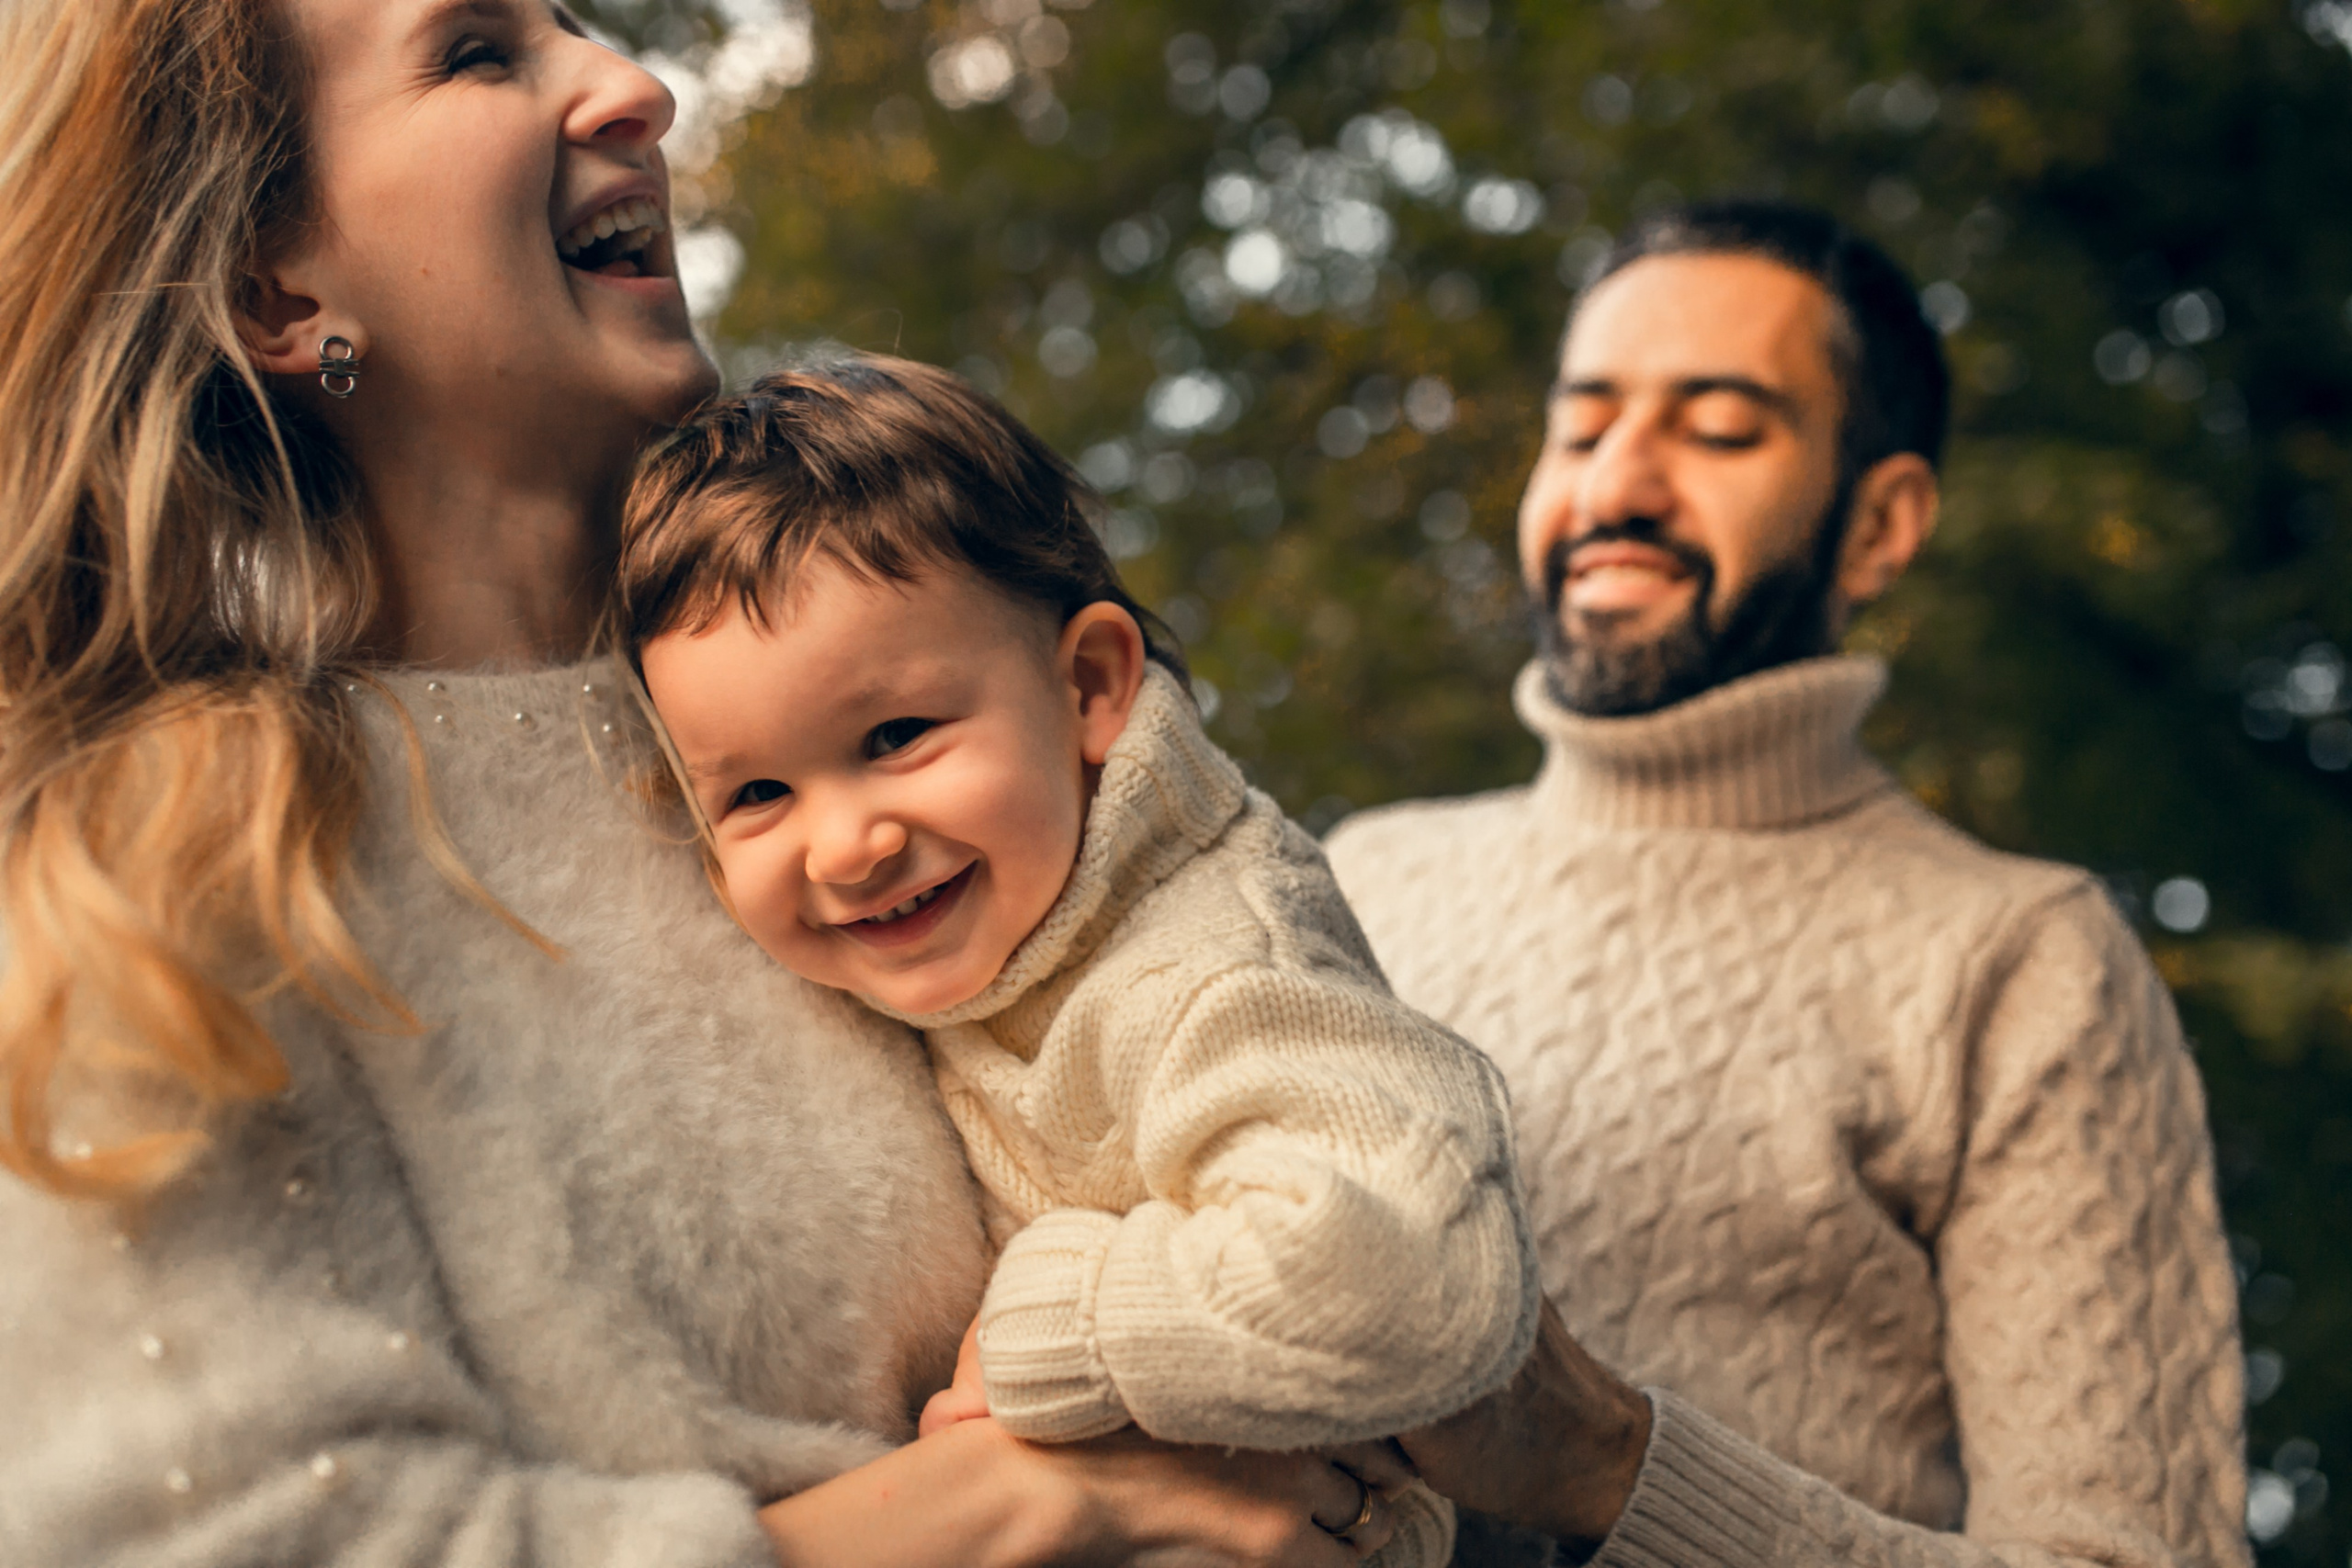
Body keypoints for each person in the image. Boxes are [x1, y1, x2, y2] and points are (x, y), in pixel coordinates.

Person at [0, 2, 1419, 1563]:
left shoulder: (925, 715)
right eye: (478, 50)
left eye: (578, 22)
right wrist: (1017, 1500)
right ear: (279, 288)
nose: (635, 87)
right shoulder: (157, 858)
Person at [1325, 201, 2251, 1568]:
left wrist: (1611, 1465)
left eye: (1718, 431)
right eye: (1582, 429)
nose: (1618, 488)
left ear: (1880, 525)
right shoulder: (1353, 878)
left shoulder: (2016, 961)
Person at [616, 356, 1545, 1566]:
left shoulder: (1211, 964)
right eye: (757, 794)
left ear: (1091, 686)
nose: (847, 846)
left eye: (896, 736)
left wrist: (1044, 1316)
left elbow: (1421, 1285)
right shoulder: (1012, 934)